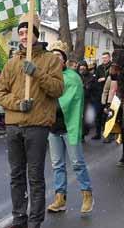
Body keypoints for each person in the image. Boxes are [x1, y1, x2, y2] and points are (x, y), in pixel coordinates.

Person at [0, 13, 64, 228]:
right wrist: (16, 103)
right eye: (21, 33)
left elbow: (57, 89)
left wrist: (37, 74)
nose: (23, 36)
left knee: (35, 176)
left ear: (35, 34)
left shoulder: (51, 60)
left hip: (37, 126)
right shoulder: (12, 62)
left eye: (27, 32)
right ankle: (19, 218)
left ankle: (35, 220)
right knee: (16, 175)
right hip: (14, 125)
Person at [47, 41, 93, 214]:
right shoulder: (48, 77)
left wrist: (46, 105)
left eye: (59, 56)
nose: (55, 59)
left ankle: (87, 194)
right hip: (52, 128)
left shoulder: (73, 78)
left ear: (64, 60)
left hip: (68, 127)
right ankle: (60, 198)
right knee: (57, 165)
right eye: (53, 56)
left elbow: (62, 104)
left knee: (77, 163)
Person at [92, 52, 112, 140]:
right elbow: (95, 79)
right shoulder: (99, 68)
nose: (104, 59)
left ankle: (107, 134)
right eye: (103, 58)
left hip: (109, 95)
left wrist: (104, 78)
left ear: (109, 58)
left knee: (107, 115)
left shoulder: (112, 67)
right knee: (98, 115)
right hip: (99, 94)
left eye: (106, 58)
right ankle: (97, 133)